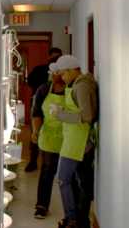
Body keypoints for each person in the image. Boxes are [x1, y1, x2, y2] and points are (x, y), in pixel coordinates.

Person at [51, 55, 98, 228]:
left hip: (77, 140)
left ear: (72, 69)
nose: (62, 77)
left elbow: (86, 116)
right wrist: (65, 109)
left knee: (63, 179)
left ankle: (71, 220)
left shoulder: (80, 87)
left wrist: (59, 114)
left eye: (63, 73)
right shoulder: (81, 84)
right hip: (81, 139)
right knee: (84, 181)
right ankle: (82, 219)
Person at [30, 63, 69, 219]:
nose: (53, 75)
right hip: (48, 136)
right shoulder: (43, 90)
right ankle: (41, 206)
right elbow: (37, 113)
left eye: (57, 72)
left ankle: (71, 211)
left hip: (68, 135)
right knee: (46, 171)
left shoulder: (71, 90)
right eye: (51, 72)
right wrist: (35, 130)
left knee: (68, 175)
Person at [25, 47, 63, 172]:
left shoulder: (65, 78)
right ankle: (33, 159)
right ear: (48, 57)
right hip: (39, 102)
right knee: (35, 131)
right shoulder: (40, 70)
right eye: (53, 58)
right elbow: (30, 82)